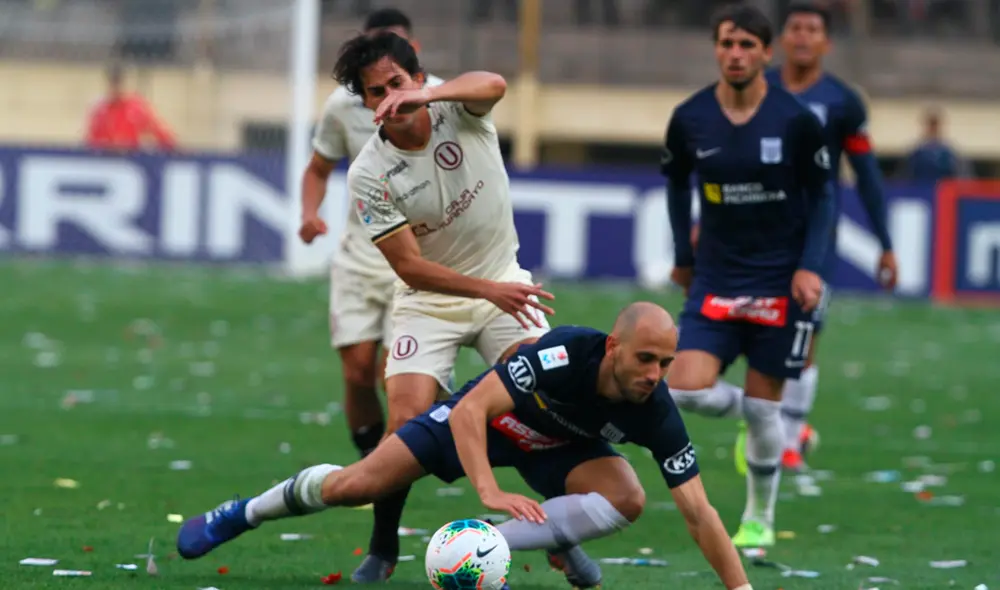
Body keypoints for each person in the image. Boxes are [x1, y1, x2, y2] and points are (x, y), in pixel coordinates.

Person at [176, 303, 754, 590]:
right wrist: (489, 488)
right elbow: (475, 410)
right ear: (612, 348)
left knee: (626, 493)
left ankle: (484, 544)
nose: (654, 373)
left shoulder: (657, 410)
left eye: (665, 363)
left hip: (554, 451)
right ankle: (243, 512)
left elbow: (699, 513)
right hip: (484, 426)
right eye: (645, 359)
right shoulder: (562, 355)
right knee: (359, 483)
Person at [326, 31, 564, 583]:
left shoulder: (460, 109)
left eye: (396, 83)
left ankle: (562, 534)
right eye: (374, 91)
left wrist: (428, 97)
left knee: (546, 400)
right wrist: (485, 292)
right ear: (364, 104)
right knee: (406, 421)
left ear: (417, 78)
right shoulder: (368, 172)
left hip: (504, 280)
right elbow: (409, 268)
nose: (388, 96)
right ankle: (384, 546)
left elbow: (496, 82)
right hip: (430, 301)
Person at [660, 3, 835, 548]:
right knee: (683, 389)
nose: (735, 54)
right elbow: (675, 188)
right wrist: (682, 260)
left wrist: (811, 266)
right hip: (715, 276)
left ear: (766, 53)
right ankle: (756, 414)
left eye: (746, 45)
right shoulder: (690, 118)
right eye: (726, 44)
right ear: (716, 48)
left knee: (766, 407)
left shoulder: (796, 120)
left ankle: (758, 519)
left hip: (780, 281)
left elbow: (824, 194)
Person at [743, 0, 897, 472]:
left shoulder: (842, 101)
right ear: (782, 39)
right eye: (796, 28)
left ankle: (789, 438)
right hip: (758, 228)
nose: (804, 37)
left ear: (826, 42)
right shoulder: (755, 89)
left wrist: (885, 243)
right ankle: (781, 422)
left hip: (815, 235)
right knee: (757, 332)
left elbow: (866, 173)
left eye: (813, 29)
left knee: (804, 332)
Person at [84, 63, 176, 152]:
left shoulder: (137, 107)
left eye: (119, 83)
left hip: (130, 158)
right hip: (108, 161)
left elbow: (161, 134)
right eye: (113, 83)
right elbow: (91, 142)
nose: (116, 88)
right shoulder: (100, 110)